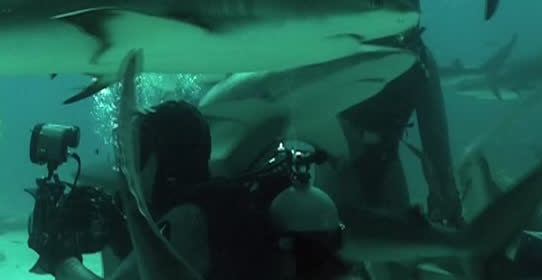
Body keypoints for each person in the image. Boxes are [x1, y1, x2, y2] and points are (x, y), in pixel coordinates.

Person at [37, 101, 364, 280]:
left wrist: (59, 256)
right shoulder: (221, 202)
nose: (130, 167)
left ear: (164, 160)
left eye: (138, 153)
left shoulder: (187, 220)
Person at [328, 0, 464, 229]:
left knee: (400, 245)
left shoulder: (420, 62)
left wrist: (446, 196)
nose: (397, 27)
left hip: (386, 158)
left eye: (405, 18)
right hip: (337, 158)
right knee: (328, 244)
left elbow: (435, 132)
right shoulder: (344, 49)